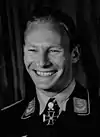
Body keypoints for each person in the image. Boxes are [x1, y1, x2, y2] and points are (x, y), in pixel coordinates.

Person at [0, 6, 98, 137]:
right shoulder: (5, 121)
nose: (42, 62)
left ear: (74, 54)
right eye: (33, 51)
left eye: (53, 51)